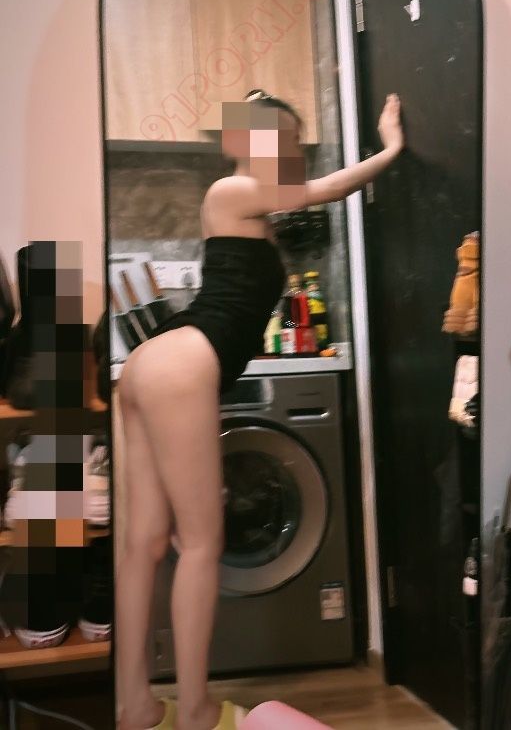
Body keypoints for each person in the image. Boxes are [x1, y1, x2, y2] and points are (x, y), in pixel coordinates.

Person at [115, 89, 405, 730]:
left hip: (157, 363)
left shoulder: (248, 203)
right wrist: (389, 150)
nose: (294, 153)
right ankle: (194, 710)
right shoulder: (233, 188)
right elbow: (324, 189)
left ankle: (136, 706)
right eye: (288, 141)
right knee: (201, 543)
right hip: (184, 360)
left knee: (145, 542)